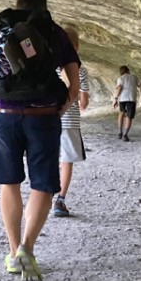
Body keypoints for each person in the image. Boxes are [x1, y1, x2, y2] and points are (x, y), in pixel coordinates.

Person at [0, 0, 80, 281]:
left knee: (9, 183)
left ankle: (12, 253)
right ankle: (27, 248)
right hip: (44, 115)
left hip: (4, 117)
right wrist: (56, 109)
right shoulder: (55, 32)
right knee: (43, 185)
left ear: (16, 7)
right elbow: (73, 86)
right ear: (44, 9)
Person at [52, 27, 89, 218]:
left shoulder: (51, 66)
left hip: (50, 117)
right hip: (69, 121)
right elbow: (83, 103)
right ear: (76, 46)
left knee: (50, 157)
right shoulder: (80, 71)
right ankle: (60, 200)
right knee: (66, 161)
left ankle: (43, 194)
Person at [114, 65, 139, 141]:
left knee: (121, 113)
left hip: (122, 99)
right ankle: (125, 135)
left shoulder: (120, 78)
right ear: (128, 70)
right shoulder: (134, 77)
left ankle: (120, 133)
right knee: (129, 116)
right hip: (131, 98)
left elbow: (120, 88)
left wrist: (116, 98)